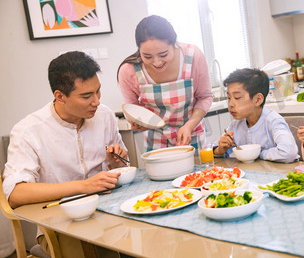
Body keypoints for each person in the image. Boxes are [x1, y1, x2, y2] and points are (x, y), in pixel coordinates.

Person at [2, 51, 127, 257]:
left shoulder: (104, 115)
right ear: (60, 96)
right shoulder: (29, 131)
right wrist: (83, 186)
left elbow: (121, 168)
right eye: (86, 96)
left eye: (98, 91)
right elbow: (16, 194)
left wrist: (116, 162)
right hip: (60, 222)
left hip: (109, 210)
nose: (96, 101)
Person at [117, 15, 213, 151]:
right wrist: (138, 121)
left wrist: (189, 126)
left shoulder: (192, 56)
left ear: (174, 43)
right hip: (156, 140)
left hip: (191, 134)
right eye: (147, 56)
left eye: (163, 54)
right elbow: (131, 107)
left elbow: (205, 97)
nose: (157, 62)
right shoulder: (129, 70)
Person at [213, 68, 298, 163]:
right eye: (229, 98)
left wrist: (257, 153)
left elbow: (289, 152)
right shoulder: (235, 125)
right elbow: (212, 149)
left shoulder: (273, 121)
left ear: (258, 100)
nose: (231, 104)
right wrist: (220, 150)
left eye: (237, 98)